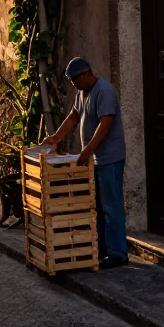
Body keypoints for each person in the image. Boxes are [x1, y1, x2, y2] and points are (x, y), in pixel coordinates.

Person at [42, 57, 128, 270]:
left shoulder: (104, 91)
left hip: (109, 159)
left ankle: (118, 252)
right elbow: (73, 116)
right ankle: (100, 249)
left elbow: (105, 123)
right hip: (94, 160)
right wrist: (56, 138)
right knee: (96, 206)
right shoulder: (83, 93)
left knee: (111, 205)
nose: (74, 86)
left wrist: (87, 150)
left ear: (87, 74)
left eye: (75, 81)